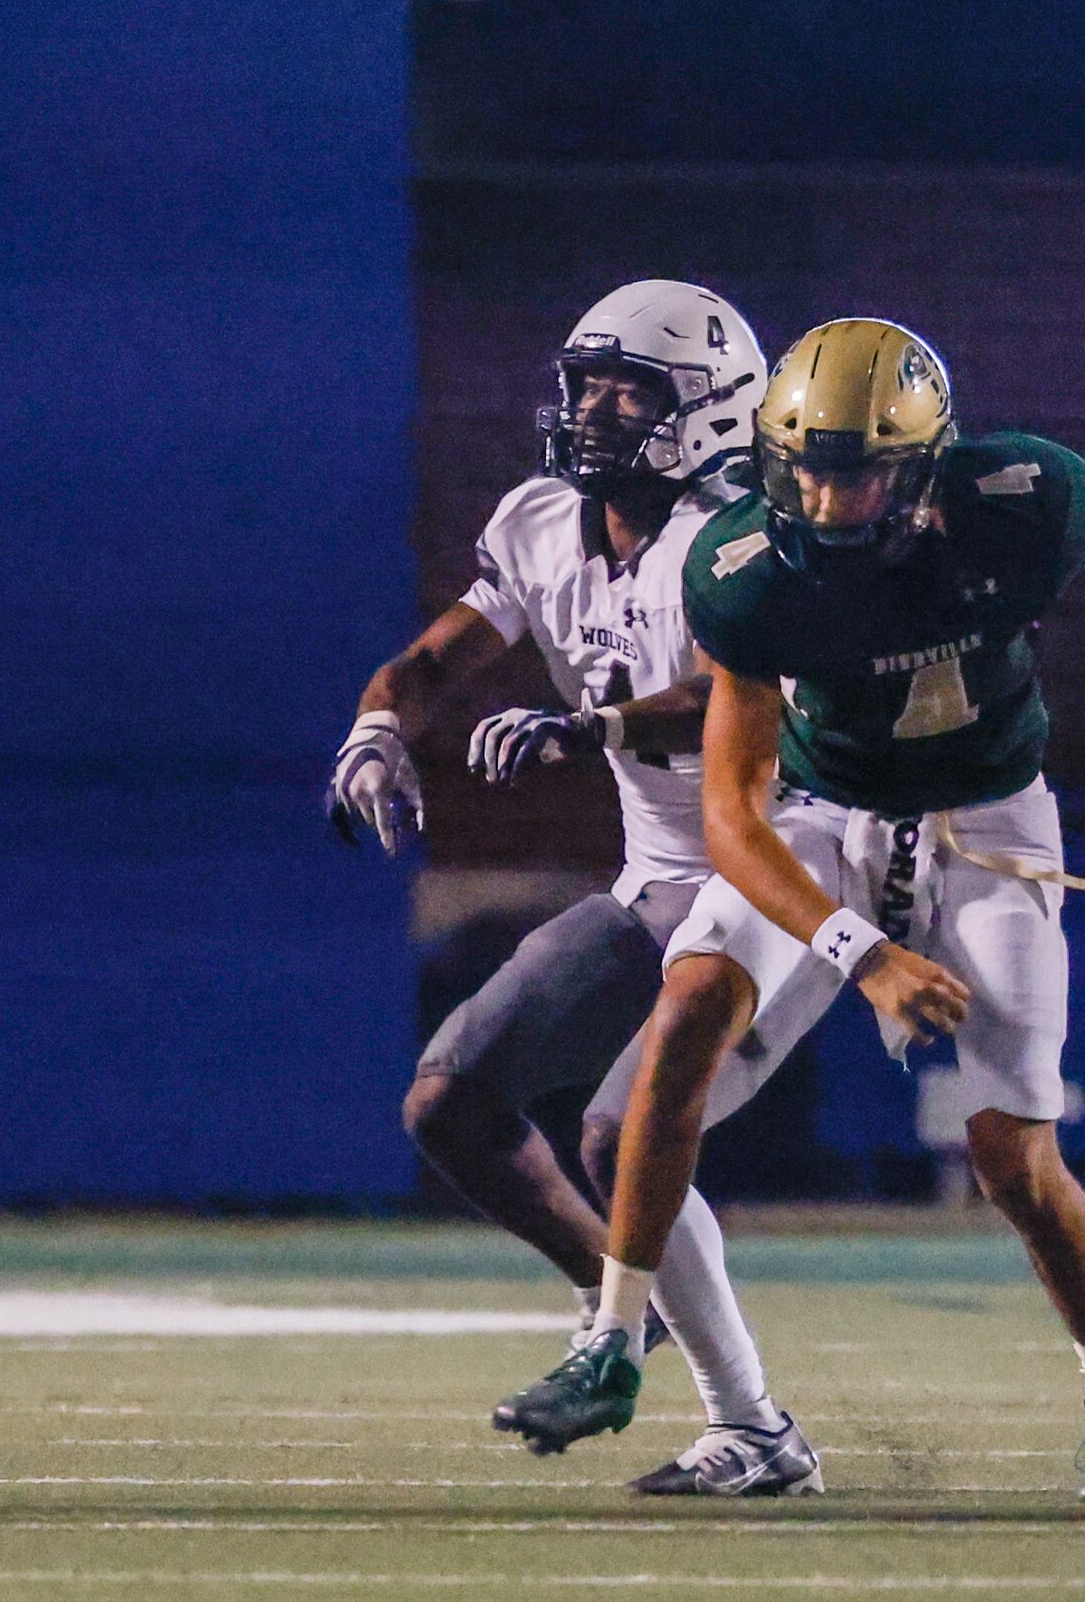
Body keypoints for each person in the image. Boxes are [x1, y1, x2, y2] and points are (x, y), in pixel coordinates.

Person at [495, 317, 1085, 1501]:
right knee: (691, 1004)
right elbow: (735, 823)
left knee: (1011, 1153)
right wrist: (863, 958)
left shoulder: (1021, 501)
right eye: (801, 464)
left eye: (853, 471)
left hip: (991, 827)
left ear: (920, 466)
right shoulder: (745, 573)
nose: (823, 493)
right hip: (825, 814)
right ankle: (619, 1337)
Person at [331, 282, 821, 1495]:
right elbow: (436, 655)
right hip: (660, 883)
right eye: (590, 381)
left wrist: (586, 723)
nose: (595, 408)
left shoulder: (744, 534)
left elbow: (728, 695)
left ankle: (750, 1426)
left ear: (709, 411)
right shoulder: (545, 520)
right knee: (450, 1102)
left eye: (631, 389)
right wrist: (376, 728)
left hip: (783, 874)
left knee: (618, 1127)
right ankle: (626, 1301)